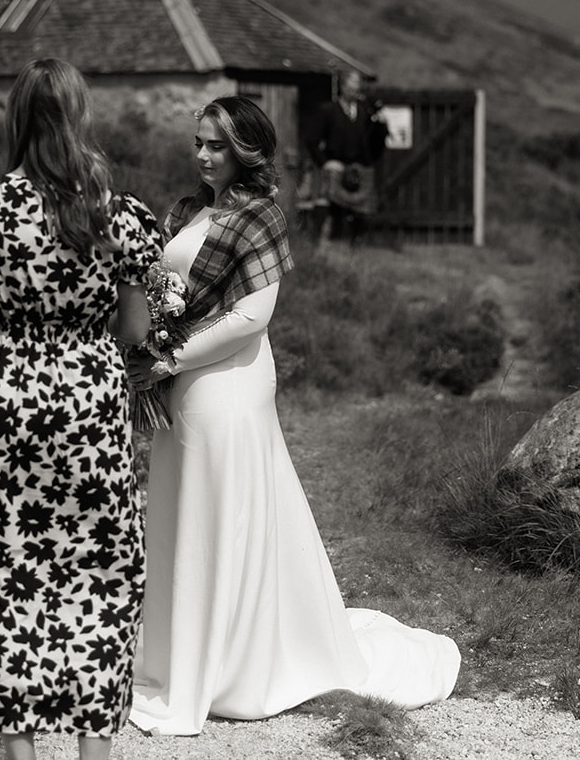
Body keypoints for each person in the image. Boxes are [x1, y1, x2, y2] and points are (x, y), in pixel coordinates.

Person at [127, 97, 459, 736]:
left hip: (226, 381)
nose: (202, 155)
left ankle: (231, 663)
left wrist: (166, 362)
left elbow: (252, 317)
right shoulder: (188, 208)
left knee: (222, 509)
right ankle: (182, 653)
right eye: (198, 142)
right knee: (183, 512)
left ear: (247, 149)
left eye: (216, 146)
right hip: (179, 380)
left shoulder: (262, 216)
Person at [0, 59, 158, 760]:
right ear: (79, 117)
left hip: (6, 398)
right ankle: (94, 749)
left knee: (7, 569)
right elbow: (132, 332)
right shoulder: (118, 217)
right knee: (100, 568)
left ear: (16, 118)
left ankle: (21, 751)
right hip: (91, 400)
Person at [303, 69, 388, 246]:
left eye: (357, 86)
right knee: (330, 208)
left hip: (359, 169)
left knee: (359, 213)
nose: (355, 90)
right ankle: (324, 246)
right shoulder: (328, 110)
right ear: (343, 87)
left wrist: (381, 125)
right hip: (335, 168)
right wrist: (325, 163)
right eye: (352, 86)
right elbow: (311, 141)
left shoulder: (366, 113)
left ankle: (355, 248)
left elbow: (376, 145)